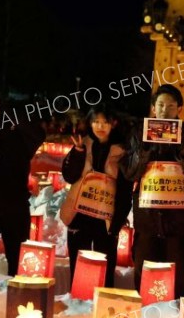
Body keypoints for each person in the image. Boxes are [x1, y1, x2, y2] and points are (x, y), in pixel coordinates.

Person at [120, 84, 184, 297]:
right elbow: (129, 172)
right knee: (144, 273)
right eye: (160, 105)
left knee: (178, 276)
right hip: (147, 219)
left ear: (179, 109)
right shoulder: (139, 134)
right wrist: (142, 153)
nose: (165, 110)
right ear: (153, 108)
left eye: (171, 106)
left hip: (178, 220)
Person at [0, 91, 46, 276]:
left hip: (16, 203)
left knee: (17, 257)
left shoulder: (17, 129)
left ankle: (17, 298)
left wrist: (6, 112)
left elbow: (37, 134)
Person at [59, 104, 132, 287]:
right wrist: (78, 153)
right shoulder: (82, 144)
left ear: (113, 124)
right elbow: (69, 176)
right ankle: (78, 304)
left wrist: (118, 221)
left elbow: (125, 189)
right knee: (78, 265)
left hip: (105, 217)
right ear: (90, 124)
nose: (100, 126)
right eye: (96, 122)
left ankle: (103, 307)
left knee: (105, 266)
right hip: (80, 214)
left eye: (105, 122)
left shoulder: (122, 151)